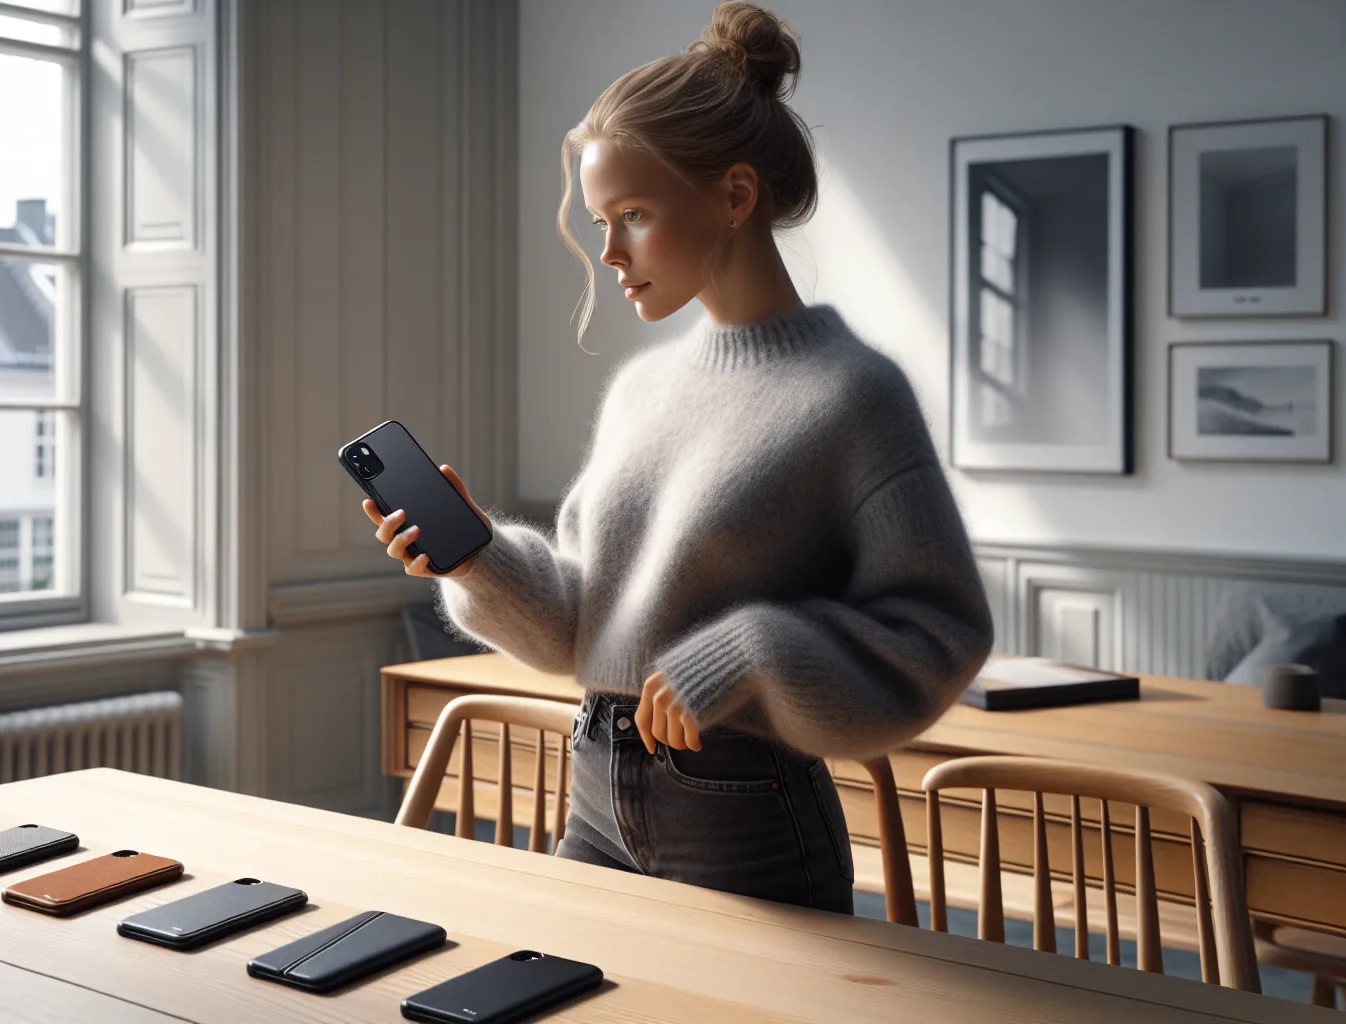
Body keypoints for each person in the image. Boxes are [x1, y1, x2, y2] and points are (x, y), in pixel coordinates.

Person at [362, 1, 992, 914]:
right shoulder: (642, 390)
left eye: (633, 215)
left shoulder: (854, 395)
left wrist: (753, 650)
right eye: (599, 220)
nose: (609, 253)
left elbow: (940, 634)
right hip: (593, 786)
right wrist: (479, 560)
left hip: (745, 812)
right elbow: (582, 629)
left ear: (735, 196)